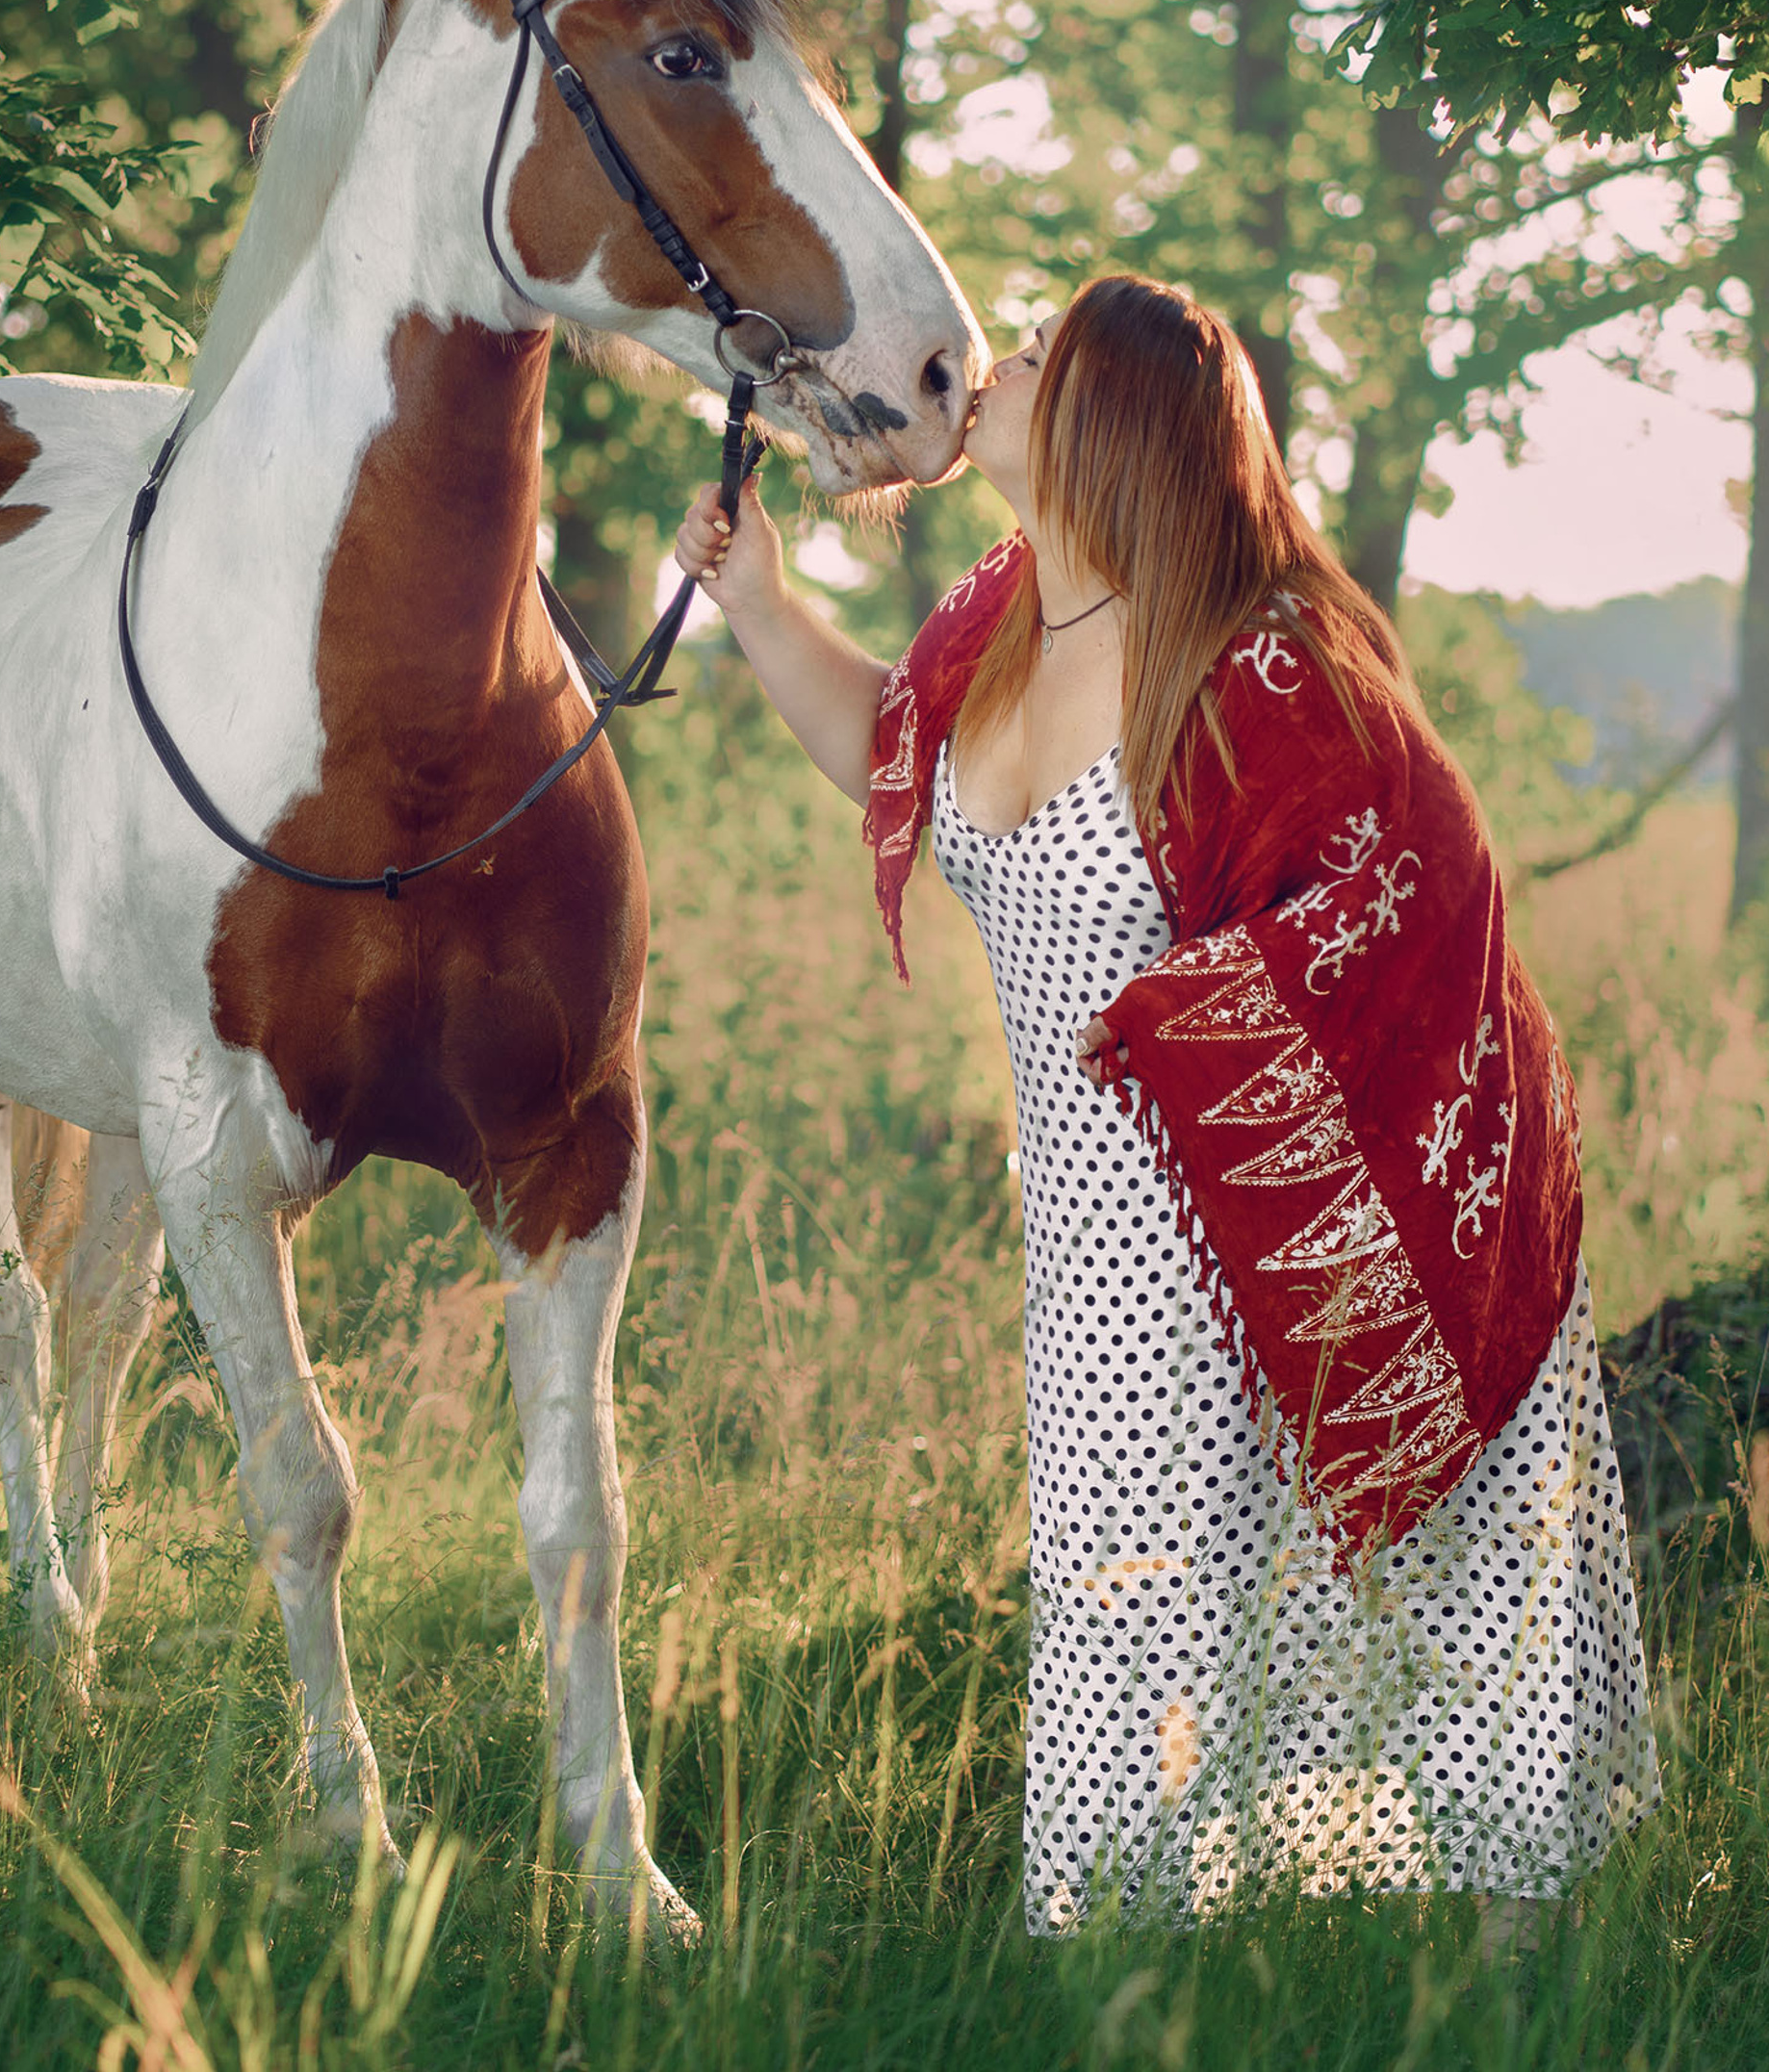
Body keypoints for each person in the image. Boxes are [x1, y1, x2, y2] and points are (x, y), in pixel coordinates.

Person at [674, 272, 1659, 1937]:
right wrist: (760, 601)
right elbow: (887, 751)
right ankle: (1141, 1969)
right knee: (1130, 1609)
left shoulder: (1252, 660)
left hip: (1252, 1239)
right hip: (1093, 1246)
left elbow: (1418, 889)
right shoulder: (997, 625)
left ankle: (1511, 1968)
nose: (999, 356)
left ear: (1112, 419)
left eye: (1042, 348)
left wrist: (1188, 1015)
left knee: (1402, 1605)